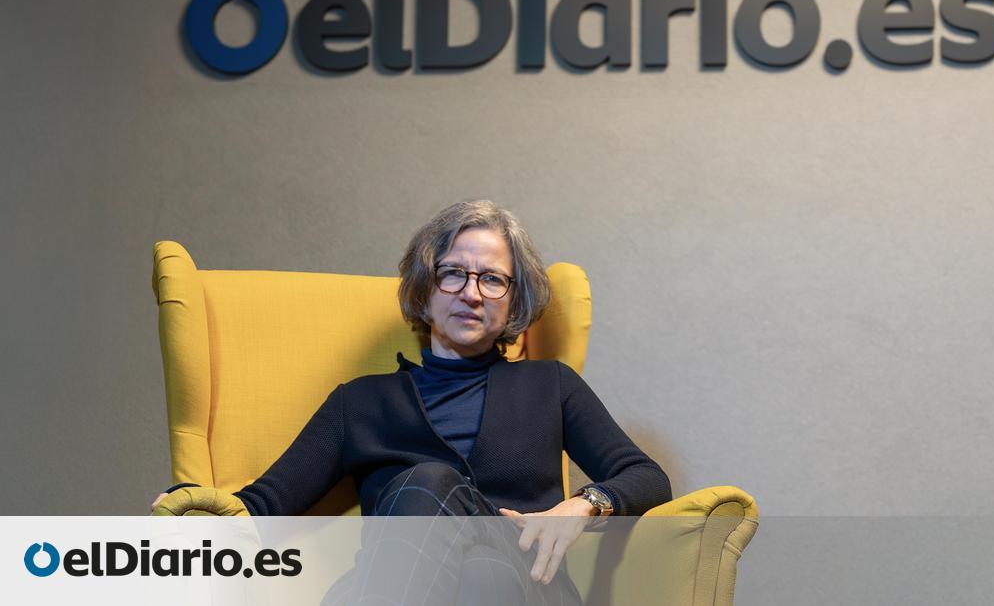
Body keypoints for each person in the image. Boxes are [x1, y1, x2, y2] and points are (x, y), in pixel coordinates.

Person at [151, 200, 673, 605]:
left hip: (530, 584)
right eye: (453, 273)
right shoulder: (361, 404)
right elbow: (263, 505)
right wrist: (191, 506)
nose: (472, 293)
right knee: (476, 575)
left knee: (431, 486)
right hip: (419, 581)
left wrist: (583, 504)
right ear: (425, 289)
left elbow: (646, 476)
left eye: (492, 279)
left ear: (514, 300)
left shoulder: (549, 385)